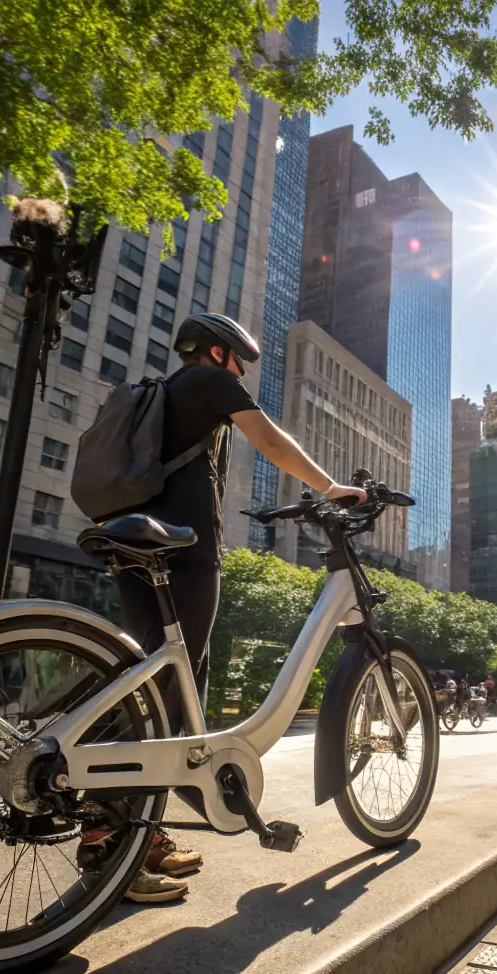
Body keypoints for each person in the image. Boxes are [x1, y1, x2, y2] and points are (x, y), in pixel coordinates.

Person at [78, 313, 368, 903]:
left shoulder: (165, 396)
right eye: (241, 362)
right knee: (158, 697)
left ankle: (144, 834)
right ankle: (107, 838)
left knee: (166, 688)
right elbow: (270, 440)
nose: (243, 374)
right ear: (218, 353)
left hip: (136, 544)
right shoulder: (206, 383)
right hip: (182, 552)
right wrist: (330, 488)